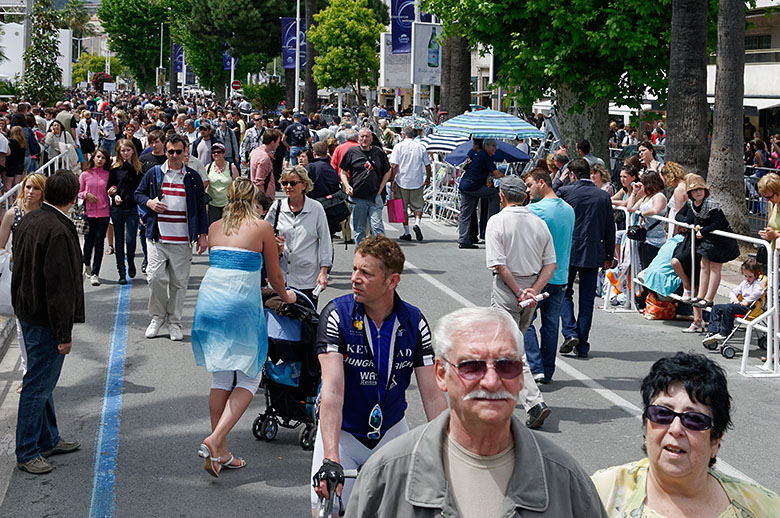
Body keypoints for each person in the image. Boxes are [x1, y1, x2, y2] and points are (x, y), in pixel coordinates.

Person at [345, 307, 608, 518]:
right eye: (472, 366)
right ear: (441, 374)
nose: (491, 381)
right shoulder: (386, 475)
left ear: (520, 378)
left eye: (506, 365)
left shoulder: (566, 482)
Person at [311, 235, 447, 515]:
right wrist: (331, 456)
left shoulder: (414, 321)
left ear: (392, 281)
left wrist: (449, 448)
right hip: (343, 433)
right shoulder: (337, 314)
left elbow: (432, 395)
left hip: (391, 431)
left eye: (366, 273)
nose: (354, 278)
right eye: (354, 269)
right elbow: (333, 390)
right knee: (326, 508)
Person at [192, 178, 296, 478]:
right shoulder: (262, 227)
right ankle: (214, 440)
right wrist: (287, 295)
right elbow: (275, 276)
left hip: (209, 303)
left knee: (221, 377)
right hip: (239, 305)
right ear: (253, 199)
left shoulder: (214, 228)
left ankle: (220, 450)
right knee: (250, 378)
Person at [592, 352, 780, 517]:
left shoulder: (762, 508)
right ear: (645, 425)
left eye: (693, 419)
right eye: (662, 414)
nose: (675, 429)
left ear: (716, 440)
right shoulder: (599, 494)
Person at [11, 170, 84, 475]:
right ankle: (28, 451)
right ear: (72, 197)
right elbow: (59, 287)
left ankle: (48, 438)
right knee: (37, 385)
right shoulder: (57, 230)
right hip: (44, 319)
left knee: (42, 382)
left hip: (29, 312)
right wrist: (63, 332)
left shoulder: (30, 219)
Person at [485, 175, 556, 428]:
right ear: (524, 196)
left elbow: (499, 265)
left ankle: (535, 402)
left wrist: (518, 291)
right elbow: (551, 264)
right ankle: (500, 391)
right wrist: (532, 290)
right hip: (531, 288)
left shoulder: (497, 221)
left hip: (509, 289)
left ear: (502, 196)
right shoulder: (539, 223)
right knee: (507, 345)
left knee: (513, 349)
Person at [134, 133, 208, 342]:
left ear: (185, 152)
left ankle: (174, 322)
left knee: (179, 283)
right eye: (171, 152)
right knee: (155, 278)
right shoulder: (154, 173)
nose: (175, 155)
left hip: (183, 239)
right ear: (165, 152)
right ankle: (157, 317)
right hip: (157, 237)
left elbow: (201, 208)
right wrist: (150, 203)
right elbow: (138, 194)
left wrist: (203, 235)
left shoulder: (192, 177)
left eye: (179, 151)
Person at [558, 158, 616, 358]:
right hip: (593, 250)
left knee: (564, 293)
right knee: (587, 299)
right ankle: (582, 343)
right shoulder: (602, 196)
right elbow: (610, 226)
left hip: (569, 250)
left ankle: (570, 331)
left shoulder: (566, 192)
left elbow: (547, 200)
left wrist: (559, 181)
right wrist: (610, 254)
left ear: (572, 175)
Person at [523, 168, 575, 384]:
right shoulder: (569, 209)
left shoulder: (535, 210)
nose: (527, 190)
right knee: (551, 326)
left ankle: (535, 366)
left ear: (541, 182)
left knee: (524, 323)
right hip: (561, 274)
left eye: (529, 185)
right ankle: (547, 369)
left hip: (540, 276)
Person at [0, 173, 45, 393]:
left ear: (42, 192)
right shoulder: (13, 214)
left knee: (42, 329)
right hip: (20, 279)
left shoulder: (47, 215)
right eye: (28, 187)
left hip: (44, 278)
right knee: (22, 328)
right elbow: (0, 245)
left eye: (36, 188)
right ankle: (28, 374)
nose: (30, 192)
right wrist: (9, 257)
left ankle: (40, 370)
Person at [264, 165, 332, 306]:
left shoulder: (316, 208)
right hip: (280, 277)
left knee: (305, 323)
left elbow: (325, 241)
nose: (288, 186)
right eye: (285, 183)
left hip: (306, 279)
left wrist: (323, 272)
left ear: (304, 185)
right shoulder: (277, 207)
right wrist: (274, 244)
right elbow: (263, 235)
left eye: (293, 183)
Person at [672, 175, 739, 312]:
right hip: (708, 238)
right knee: (704, 264)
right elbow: (683, 216)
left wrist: (703, 230)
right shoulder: (692, 204)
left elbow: (717, 223)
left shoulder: (711, 204)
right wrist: (696, 225)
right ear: (690, 193)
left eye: (700, 189)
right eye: (695, 190)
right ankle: (700, 295)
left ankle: (709, 298)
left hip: (720, 239)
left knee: (715, 266)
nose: (698, 192)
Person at [339, 128, 391, 245]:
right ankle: (361, 255)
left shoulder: (379, 153)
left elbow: (388, 171)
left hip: (375, 197)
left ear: (372, 139)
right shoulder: (352, 152)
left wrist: (380, 189)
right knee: (360, 230)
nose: (364, 139)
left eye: (367, 137)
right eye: (362, 136)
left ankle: (380, 255)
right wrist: (347, 186)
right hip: (358, 197)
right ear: (358, 139)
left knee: (377, 228)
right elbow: (343, 171)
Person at [701, 259, 764, 347]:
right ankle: (712, 330)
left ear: (756, 274)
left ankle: (725, 332)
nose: (747, 279)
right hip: (739, 305)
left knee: (728, 308)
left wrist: (747, 301)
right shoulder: (745, 283)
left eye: (750, 276)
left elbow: (757, 293)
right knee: (716, 308)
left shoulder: (758, 284)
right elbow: (733, 292)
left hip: (749, 308)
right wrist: (735, 300)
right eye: (745, 276)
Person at [107, 139, 144, 283]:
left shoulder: (138, 169)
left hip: (132, 208)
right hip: (117, 209)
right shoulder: (115, 169)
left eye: (128, 150)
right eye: (122, 151)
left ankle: (131, 260)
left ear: (133, 151)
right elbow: (111, 187)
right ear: (118, 152)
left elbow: (142, 188)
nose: (125, 153)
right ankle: (121, 272)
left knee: (130, 240)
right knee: (119, 240)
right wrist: (114, 194)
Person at [457, 139, 503, 249]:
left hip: (465, 185)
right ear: (485, 146)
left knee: (465, 213)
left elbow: (489, 171)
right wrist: (509, 178)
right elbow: (496, 173)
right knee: (494, 194)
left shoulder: (480, 156)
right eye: (493, 146)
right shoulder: (484, 155)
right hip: (473, 185)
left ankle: (463, 239)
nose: (495, 149)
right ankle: (493, 223)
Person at [389, 126, 431, 242]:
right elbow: (427, 165)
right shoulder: (421, 147)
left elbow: (394, 165)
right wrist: (428, 177)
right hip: (417, 180)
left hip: (402, 180)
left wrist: (392, 179)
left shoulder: (398, 147)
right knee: (418, 204)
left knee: (402, 207)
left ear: (403, 135)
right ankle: (417, 223)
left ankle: (407, 232)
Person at [78, 148, 112, 287]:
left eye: (103, 158)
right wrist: (86, 194)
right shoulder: (85, 175)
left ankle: (95, 273)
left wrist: (113, 189)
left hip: (104, 213)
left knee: (99, 243)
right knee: (88, 242)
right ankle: (86, 263)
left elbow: (113, 187)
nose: (100, 160)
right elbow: (79, 192)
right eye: (98, 157)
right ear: (93, 158)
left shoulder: (108, 175)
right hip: (89, 213)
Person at [626, 170, 667, 270]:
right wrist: (634, 192)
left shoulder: (659, 197)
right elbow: (630, 208)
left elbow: (656, 209)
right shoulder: (646, 197)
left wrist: (643, 213)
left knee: (649, 269)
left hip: (655, 241)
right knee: (644, 268)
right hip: (645, 239)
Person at [205, 142, 239, 224]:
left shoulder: (231, 167)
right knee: (213, 228)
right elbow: (205, 184)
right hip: (213, 204)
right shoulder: (208, 167)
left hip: (227, 204)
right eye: (214, 152)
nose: (216, 154)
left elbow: (238, 186)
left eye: (219, 152)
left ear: (224, 153)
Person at [249, 128, 281, 202]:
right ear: (272, 142)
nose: (278, 145)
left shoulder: (256, 151)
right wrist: (263, 202)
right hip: (265, 196)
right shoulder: (264, 158)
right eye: (277, 142)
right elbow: (259, 181)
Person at [757, 172, 780, 248]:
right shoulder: (772, 204)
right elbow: (769, 227)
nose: (767, 200)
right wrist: (767, 234)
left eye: (770, 197)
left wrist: (776, 235)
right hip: (774, 253)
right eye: (765, 197)